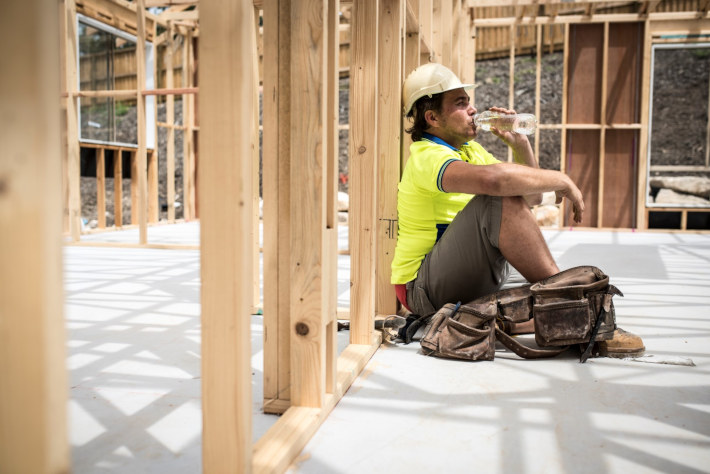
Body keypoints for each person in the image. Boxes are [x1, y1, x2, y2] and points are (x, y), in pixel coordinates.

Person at [391, 63, 644, 356]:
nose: (473, 110)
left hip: (460, 276)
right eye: (461, 104)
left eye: (469, 101)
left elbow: (531, 196)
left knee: (540, 284)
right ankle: (579, 316)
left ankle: (558, 312)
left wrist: (520, 144)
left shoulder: (468, 151)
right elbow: (497, 183)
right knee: (496, 199)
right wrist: (561, 178)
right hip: (422, 289)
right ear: (432, 117)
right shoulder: (427, 156)